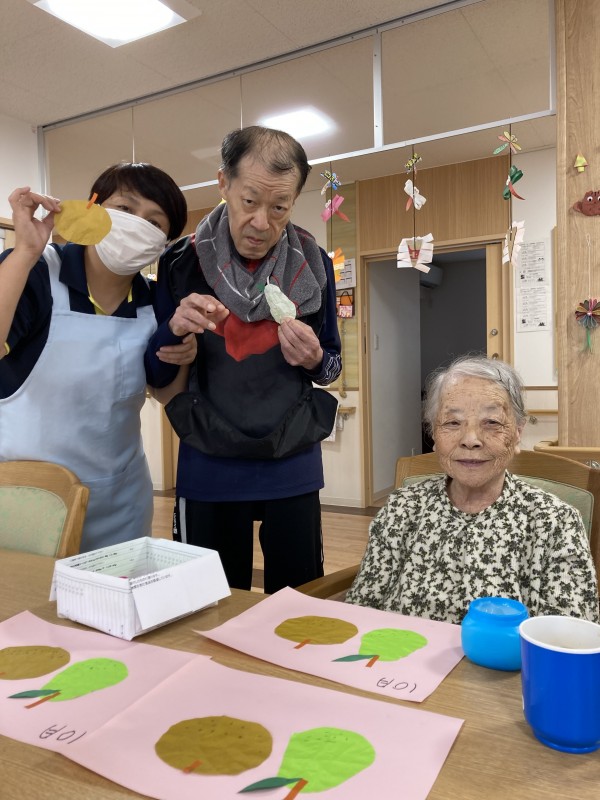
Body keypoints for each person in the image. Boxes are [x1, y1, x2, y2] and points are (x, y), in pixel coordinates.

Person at [145, 126, 342, 594]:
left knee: (299, 608)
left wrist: (314, 359)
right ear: (224, 184)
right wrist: (173, 333)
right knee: (207, 604)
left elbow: (332, 368)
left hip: (292, 460)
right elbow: (156, 374)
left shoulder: (313, 262)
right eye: (249, 201)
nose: (261, 223)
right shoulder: (180, 262)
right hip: (208, 460)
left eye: (279, 208)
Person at [0, 162, 195, 552]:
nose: (137, 224)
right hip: (30, 500)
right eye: (125, 208)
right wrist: (24, 252)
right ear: (93, 207)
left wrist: (184, 353)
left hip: (120, 500)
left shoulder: (152, 300)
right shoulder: (38, 271)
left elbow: (166, 394)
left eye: (154, 222)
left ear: (163, 242)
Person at [345, 355, 599, 624]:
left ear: (517, 433)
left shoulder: (556, 522)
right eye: (452, 423)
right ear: (434, 434)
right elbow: (361, 609)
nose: (470, 440)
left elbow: (571, 637)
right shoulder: (402, 508)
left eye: (492, 423)